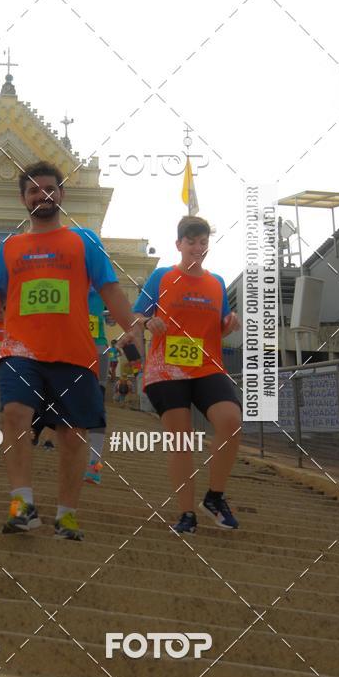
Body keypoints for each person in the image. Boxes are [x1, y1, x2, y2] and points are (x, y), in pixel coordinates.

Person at [0, 160, 141, 541]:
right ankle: (22, 504)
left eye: (49, 188)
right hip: (19, 350)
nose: (42, 195)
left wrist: (132, 328)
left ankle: (67, 515)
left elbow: (110, 288)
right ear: (23, 198)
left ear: (61, 194)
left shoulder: (84, 241)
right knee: (12, 413)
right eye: (33, 190)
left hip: (73, 352)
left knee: (72, 433)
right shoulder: (10, 246)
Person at [133, 215, 241, 534]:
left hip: (207, 366)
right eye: (191, 242)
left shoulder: (217, 282)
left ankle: (215, 497)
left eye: (203, 242)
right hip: (166, 368)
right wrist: (146, 322)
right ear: (179, 244)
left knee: (231, 422)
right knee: (180, 440)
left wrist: (229, 323)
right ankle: (186, 514)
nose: (197, 247)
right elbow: (137, 312)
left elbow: (218, 329)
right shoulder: (163, 278)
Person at [84, 287, 110, 485]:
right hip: (70, 347)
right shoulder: (67, 278)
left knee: (97, 403)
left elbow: (115, 315)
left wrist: (111, 316)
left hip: (98, 348)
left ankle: (94, 463)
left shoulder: (103, 285)